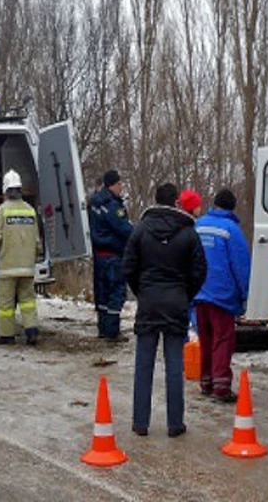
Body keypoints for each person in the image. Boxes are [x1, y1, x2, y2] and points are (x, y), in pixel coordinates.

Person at [122, 183, 207, 438]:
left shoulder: (140, 230)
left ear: (155, 200)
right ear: (176, 203)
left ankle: (140, 422)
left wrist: (142, 291)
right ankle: (175, 424)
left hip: (149, 301)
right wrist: (184, 293)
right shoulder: (189, 233)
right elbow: (200, 271)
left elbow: (128, 267)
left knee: (144, 364)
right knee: (174, 365)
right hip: (176, 301)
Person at [193, 188, 251, 403]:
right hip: (222, 296)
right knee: (222, 340)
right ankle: (221, 386)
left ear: (215, 203)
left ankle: (206, 381)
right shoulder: (231, 230)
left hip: (199, 293)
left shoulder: (198, 225)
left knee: (205, 338)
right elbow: (241, 266)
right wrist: (246, 297)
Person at [0, 170, 42, 346]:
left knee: (6, 304)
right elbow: (36, 240)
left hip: (9, 266)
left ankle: (7, 335)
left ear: (5, 191)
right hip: (27, 266)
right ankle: (32, 331)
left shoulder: (2, 210)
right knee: (28, 301)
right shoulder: (30, 210)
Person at [88, 169, 134, 342]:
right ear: (112, 185)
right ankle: (112, 331)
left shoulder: (95, 202)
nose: (121, 187)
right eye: (119, 184)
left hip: (99, 255)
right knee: (116, 292)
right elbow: (124, 229)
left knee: (102, 293)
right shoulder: (112, 205)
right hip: (113, 255)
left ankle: (102, 328)